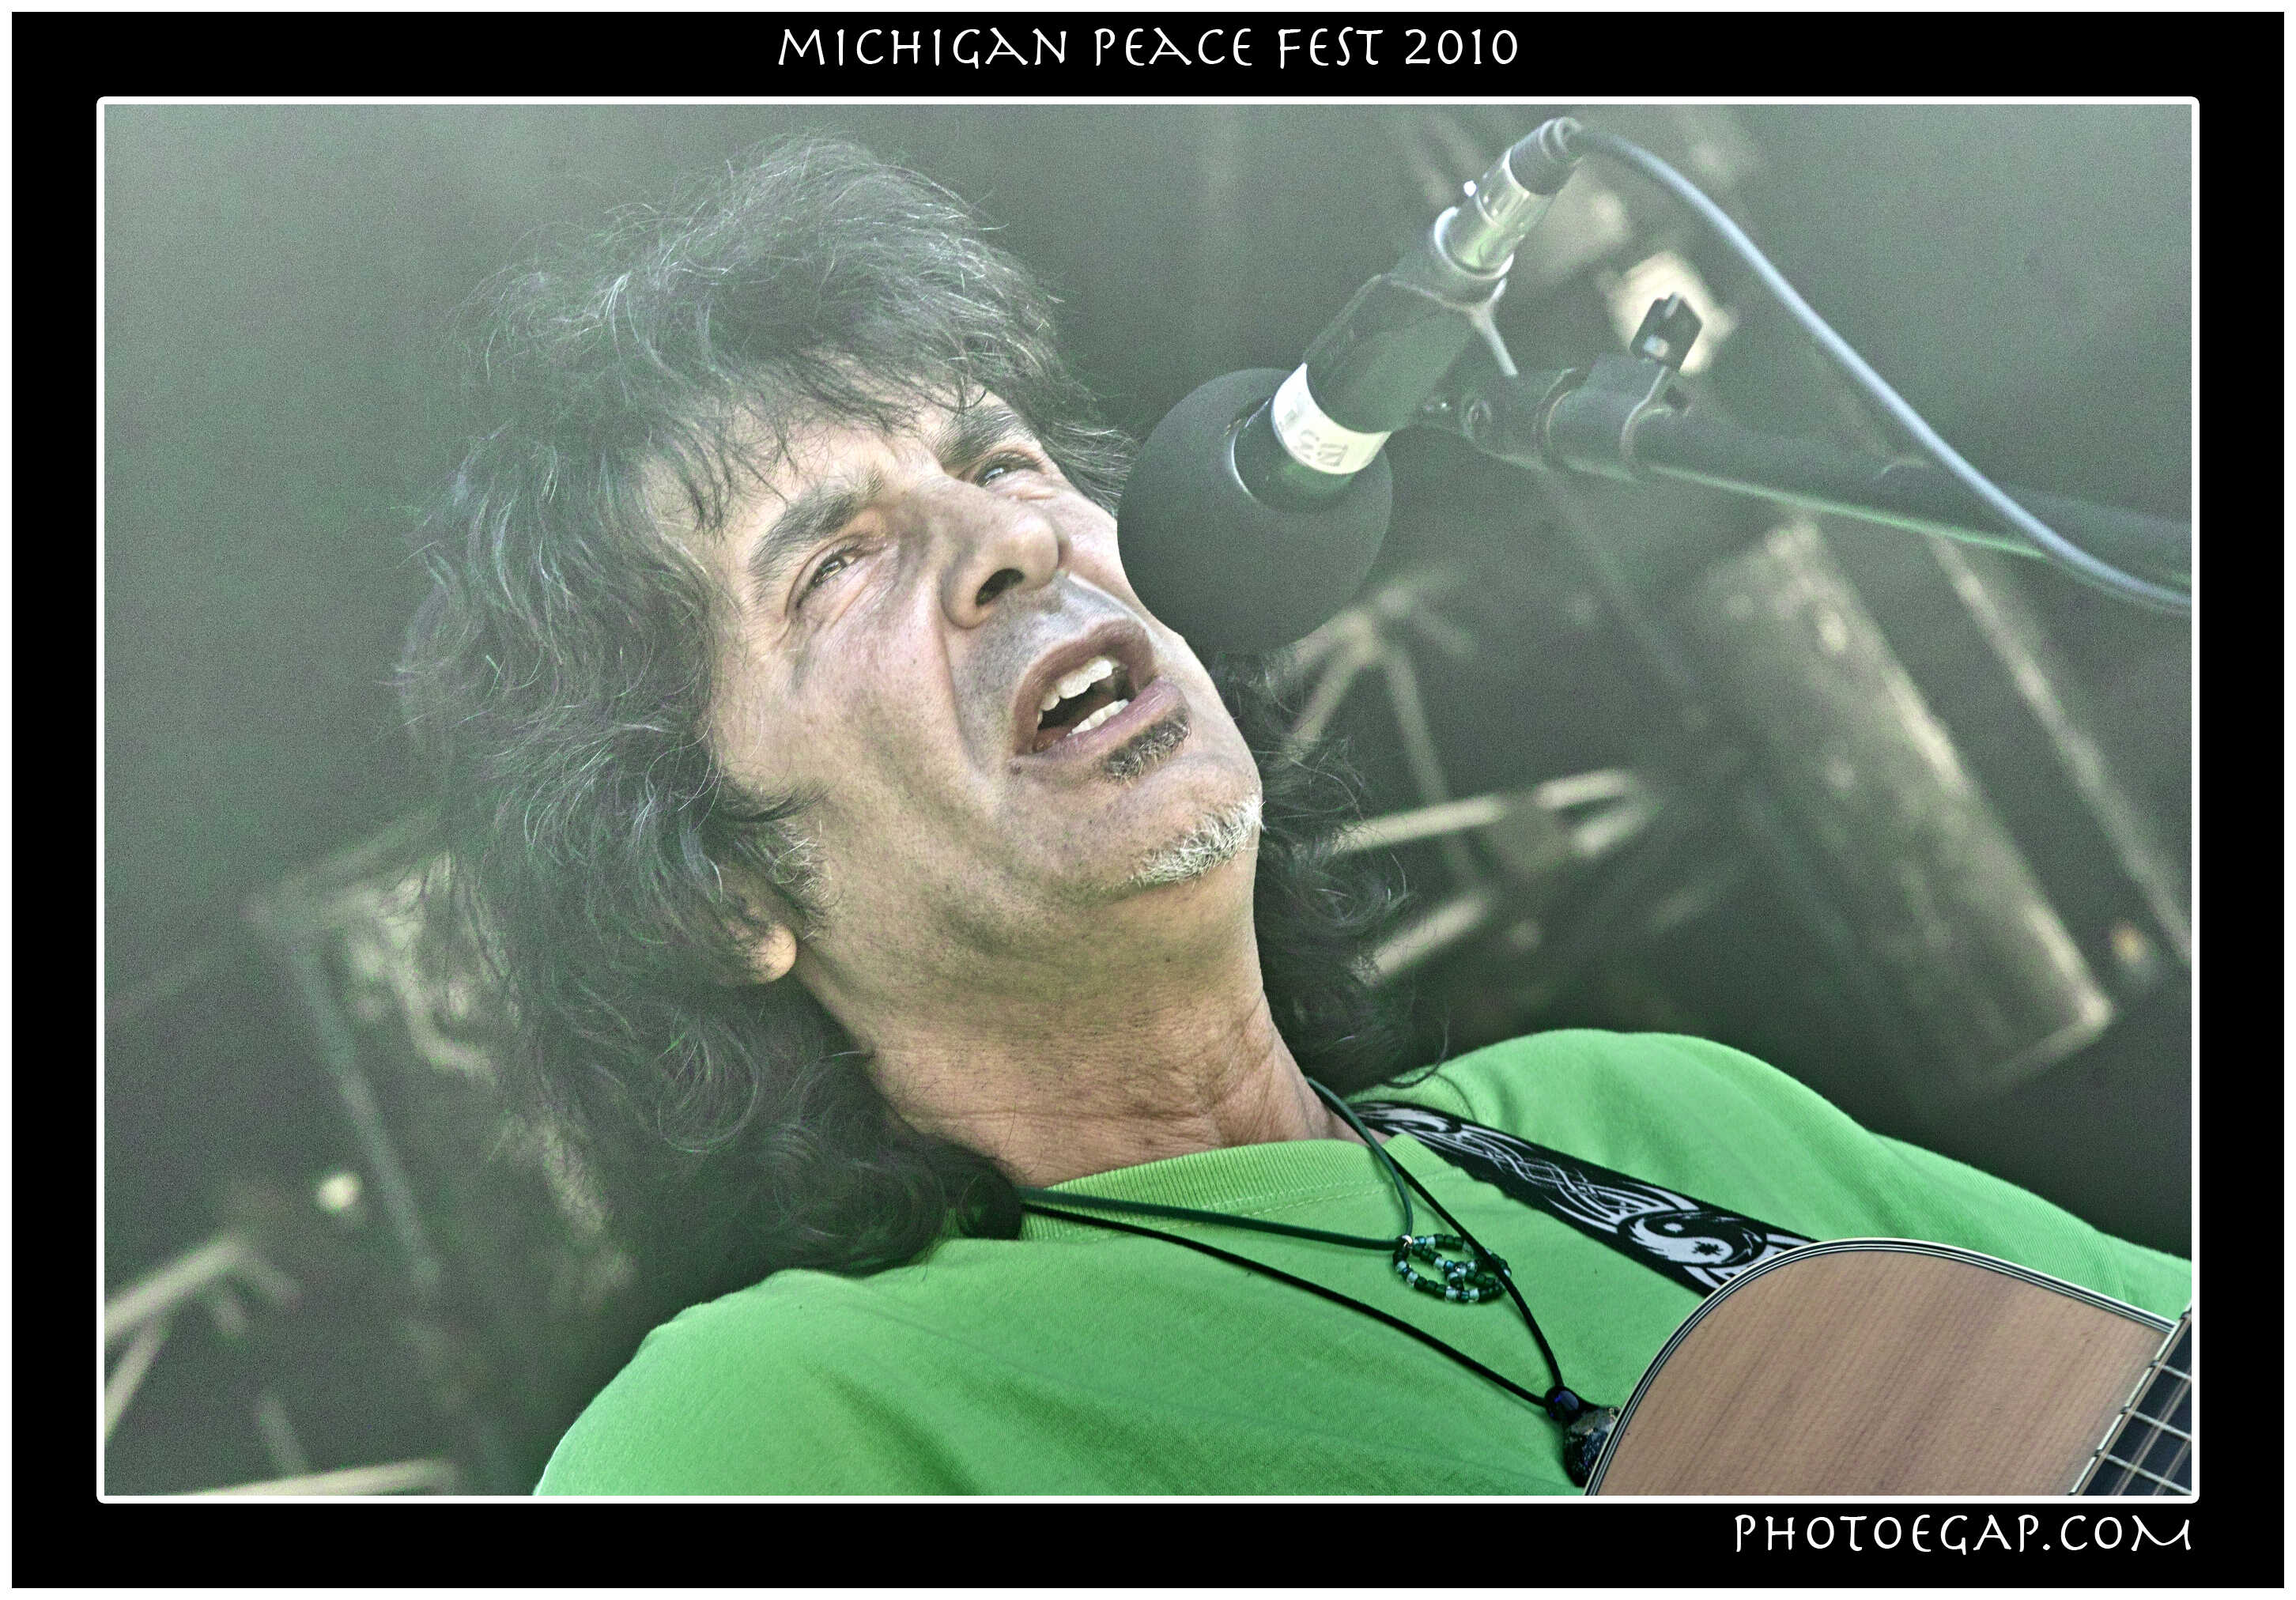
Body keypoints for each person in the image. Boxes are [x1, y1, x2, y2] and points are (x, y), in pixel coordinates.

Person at [398, 138, 2188, 1495]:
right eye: (837, 562)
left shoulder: (1649, 1109)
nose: (1011, 534)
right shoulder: (761, 1430)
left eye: (1000, 459)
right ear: (718, 892)